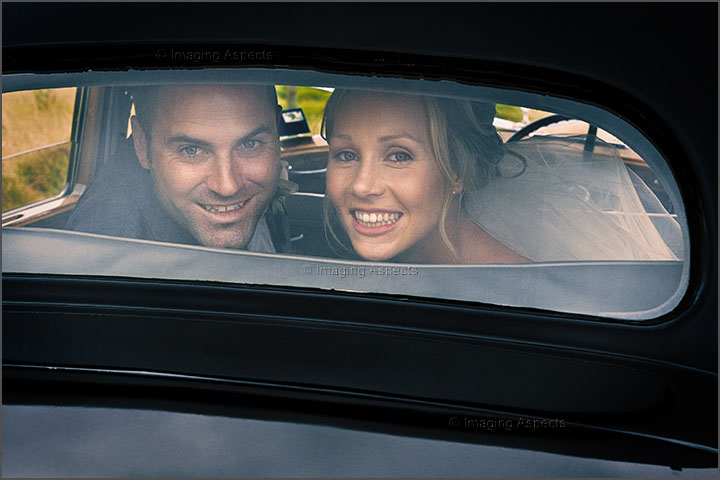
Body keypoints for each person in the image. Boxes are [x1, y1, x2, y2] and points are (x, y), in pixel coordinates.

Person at [322, 89, 681, 264]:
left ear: (456, 171)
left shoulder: (507, 281)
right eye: (346, 155)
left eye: (399, 156)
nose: (363, 185)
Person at [65, 84, 289, 253]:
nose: (227, 186)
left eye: (250, 145)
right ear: (142, 144)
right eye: (191, 151)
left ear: (277, 133)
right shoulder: (108, 256)